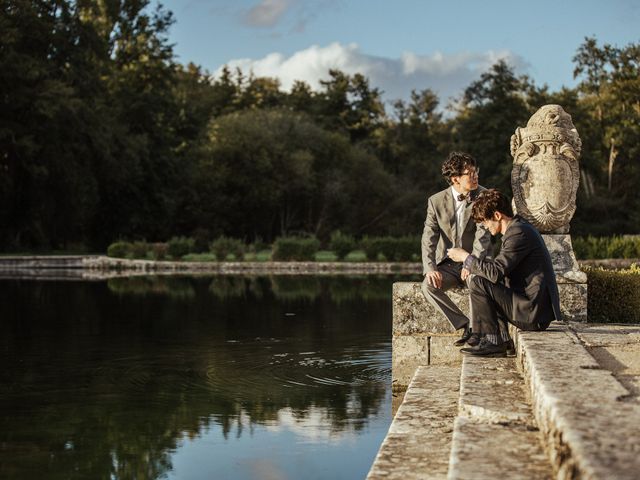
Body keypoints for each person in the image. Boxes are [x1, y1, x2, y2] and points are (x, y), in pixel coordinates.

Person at [447, 189, 562, 357]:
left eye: (485, 221)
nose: (485, 226)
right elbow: (498, 272)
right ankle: (501, 340)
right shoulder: (518, 229)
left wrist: (466, 257)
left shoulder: (519, 233)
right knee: (484, 279)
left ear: (497, 215)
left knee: (479, 282)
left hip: (533, 313)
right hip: (531, 309)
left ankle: (491, 341)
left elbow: (495, 272)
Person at [421, 152, 492, 347]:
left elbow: (483, 235)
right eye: (470, 173)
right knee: (428, 286)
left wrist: (470, 262)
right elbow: (429, 237)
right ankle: (464, 325)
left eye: (475, 171)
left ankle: (480, 332)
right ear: (455, 179)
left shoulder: (484, 196)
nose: (475, 176)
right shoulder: (435, 201)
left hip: (475, 260)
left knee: (475, 281)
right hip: (448, 264)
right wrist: (430, 268)